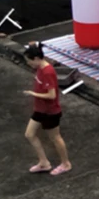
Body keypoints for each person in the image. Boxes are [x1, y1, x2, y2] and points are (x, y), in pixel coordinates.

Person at [23, 42, 71, 175]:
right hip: (40, 109)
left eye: (29, 61)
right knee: (29, 134)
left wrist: (33, 94)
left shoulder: (48, 72)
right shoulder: (39, 68)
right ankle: (44, 163)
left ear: (37, 59)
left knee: (55, 137)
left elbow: (51, 95)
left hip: (50, 111)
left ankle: (66, 163)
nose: (29, 64)